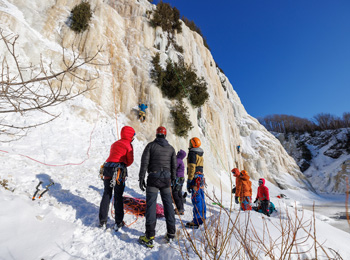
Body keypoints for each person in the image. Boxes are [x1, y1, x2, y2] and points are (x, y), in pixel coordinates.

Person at [138, 126, 177, 247]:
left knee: (151, 206)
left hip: (153, 178)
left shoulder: (150, 146)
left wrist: (141, 178)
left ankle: (149, 236)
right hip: (166, 180)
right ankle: (171, 233)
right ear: (165, 135)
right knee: (168, 205)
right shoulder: (171, 149)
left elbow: (144, 163)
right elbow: (174, 166)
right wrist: (174, 180)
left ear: (156, 134)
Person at [99, 126, 135, 231]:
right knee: (118, 196)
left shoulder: (114, 144)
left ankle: (102, 221)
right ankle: (118, 222)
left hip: (107, 168)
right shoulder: (129, 145)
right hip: (119, 170)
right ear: (130, 135)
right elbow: (130, 161)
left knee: (107, 193)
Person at [186, 137, 206, 228]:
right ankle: (203, 218)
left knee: (196, 198)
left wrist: (189, 180)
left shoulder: (192, 153)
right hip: (200, 177)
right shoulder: (200, 153)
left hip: (195, 178)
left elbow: (191, 168)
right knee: (201, 198)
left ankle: (197, 221)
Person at [172, 149, 187, 215]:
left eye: (178, 152)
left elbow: (173, 168)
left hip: (177, 179)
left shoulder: (178, 160)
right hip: (181, 179)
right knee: (179, 193)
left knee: (175, 193)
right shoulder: (180, 161)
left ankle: (179, 209)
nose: (177, 153)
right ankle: (181, 208)